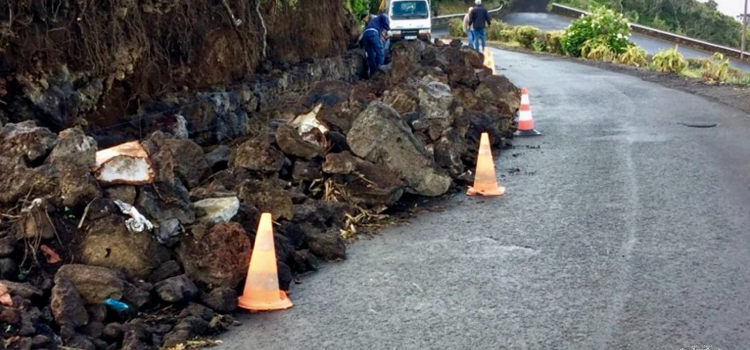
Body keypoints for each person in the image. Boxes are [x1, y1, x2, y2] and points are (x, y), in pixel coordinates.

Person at [360, 12, 390, 78]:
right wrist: (388, 28)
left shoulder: (371, 22)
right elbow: (383, 16)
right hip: (373, 33)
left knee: (371, 55)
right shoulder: (380, 17)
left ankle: (373, 74)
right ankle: (380, 71)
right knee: (380, 51)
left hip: (365, 35)